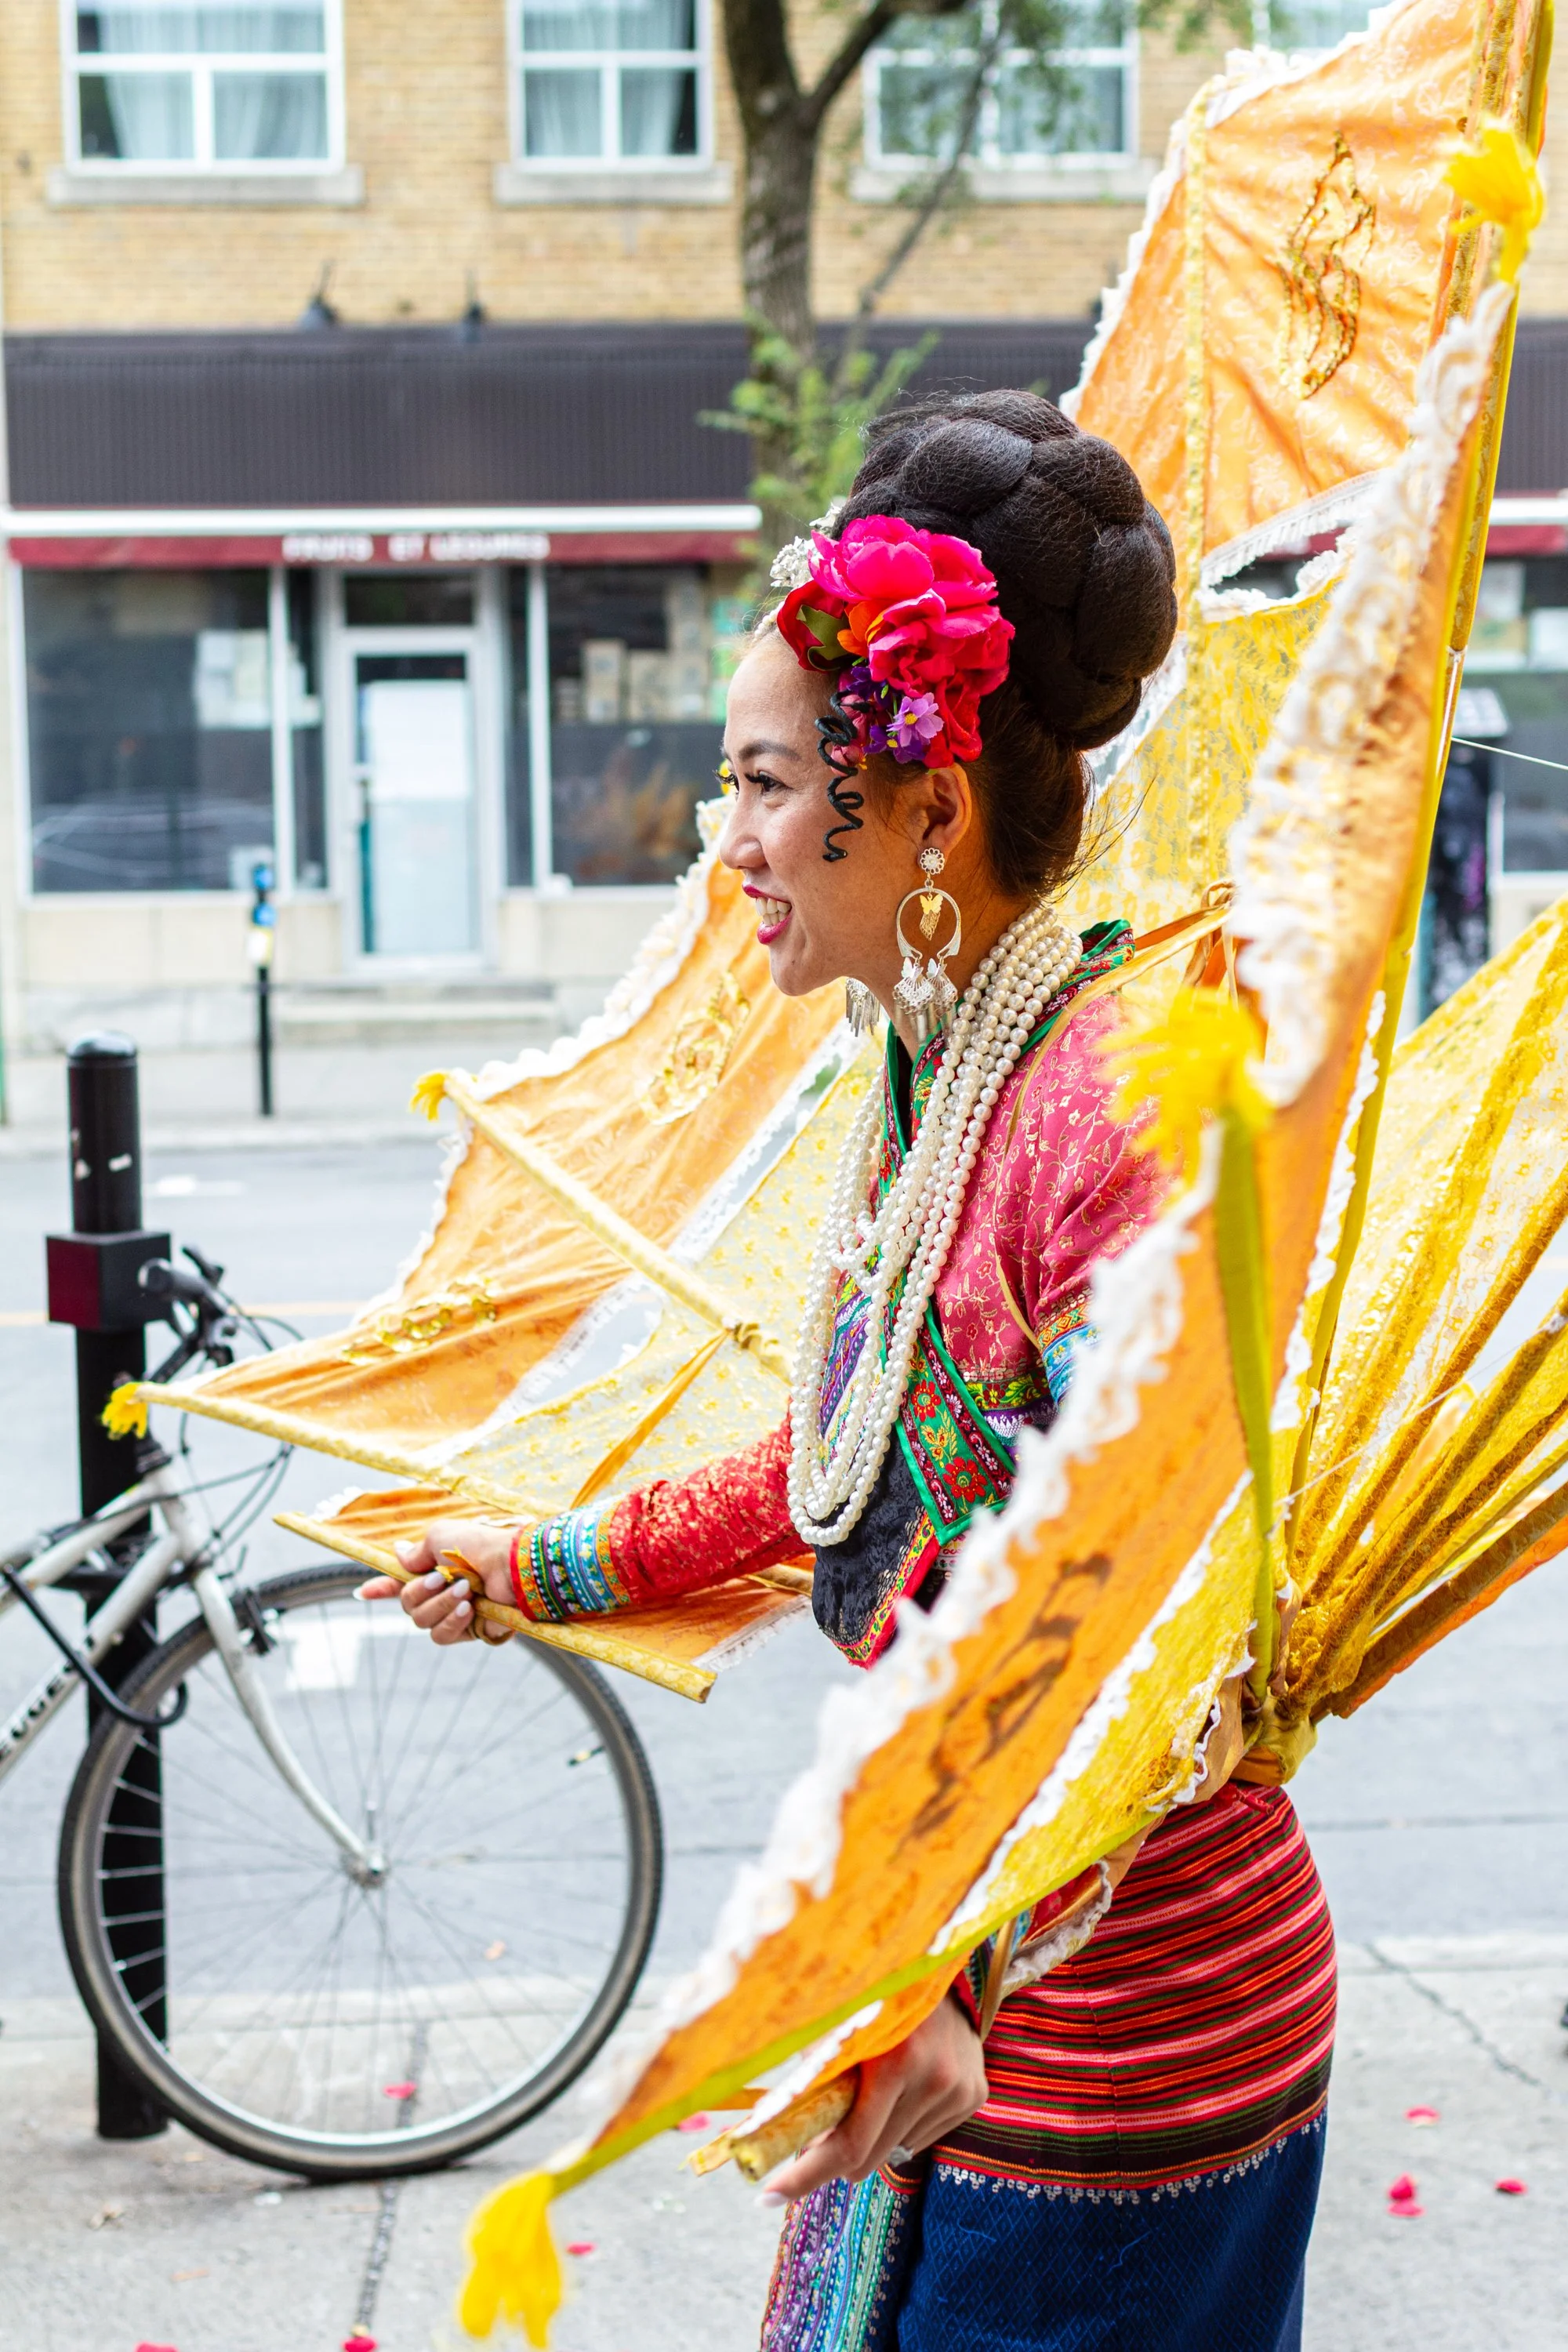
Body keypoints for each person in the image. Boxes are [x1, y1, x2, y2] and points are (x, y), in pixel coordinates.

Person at [361, 390, 1335, 2352]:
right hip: (962, 1984)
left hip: (1121, 2046)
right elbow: (838, 1472)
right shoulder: (925, 1056)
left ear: (923, 810)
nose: (728, 846)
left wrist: (954, 1988)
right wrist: (537, 1563)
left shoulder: (1115, 1097)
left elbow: (1158, 1633)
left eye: (760, 785)